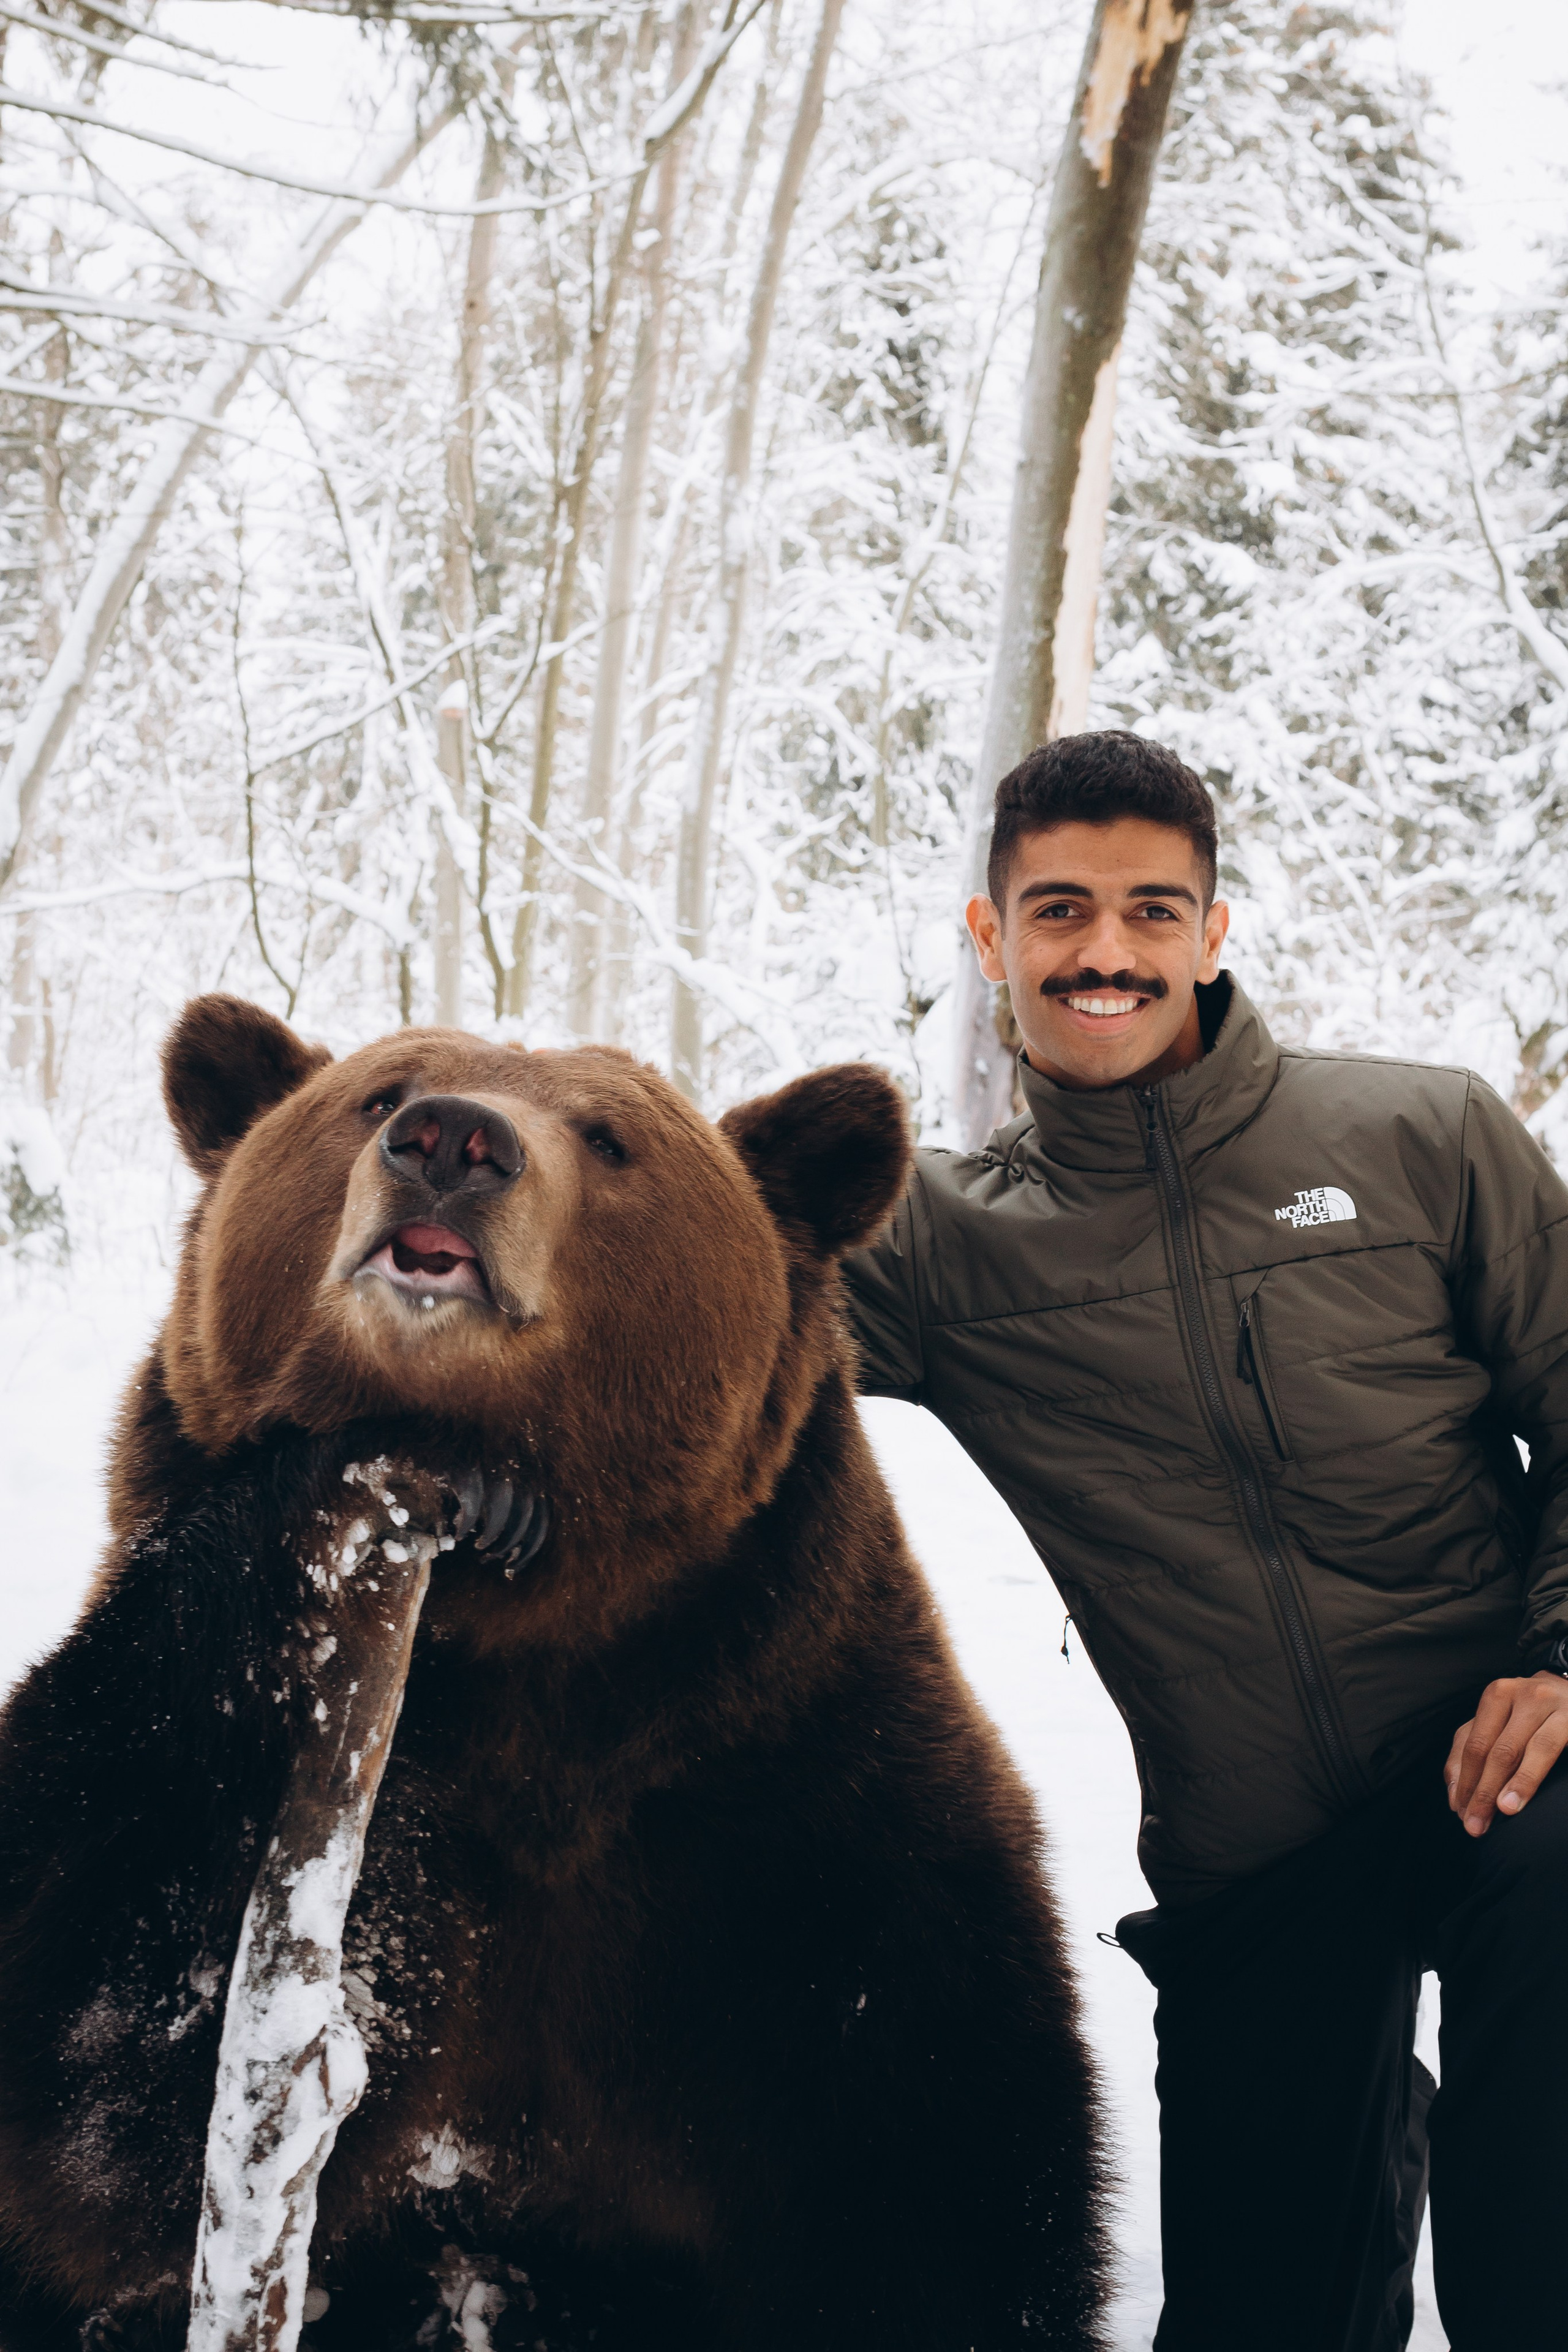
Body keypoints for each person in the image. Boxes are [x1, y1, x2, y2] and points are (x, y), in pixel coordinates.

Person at [842, 731, 1568, 2352]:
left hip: (1498, 1754)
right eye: (1061, 913)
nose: (1107, 953)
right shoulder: (944, 1244)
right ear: (990, 935)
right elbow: (694, 1342)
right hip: (1259, 1854)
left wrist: (1565, 1664)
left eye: (1152, 912)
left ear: (1214, 930)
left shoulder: (1421, 1140)